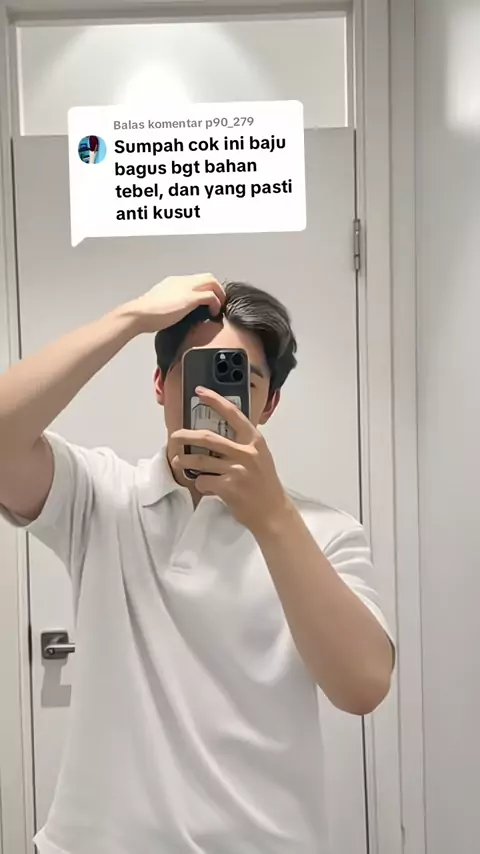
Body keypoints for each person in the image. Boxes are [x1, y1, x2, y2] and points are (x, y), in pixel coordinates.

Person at [0, 273, 394, 854]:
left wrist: (272, 516)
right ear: (161, 384)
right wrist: (132, 317)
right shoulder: (100, 496)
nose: (212, 397)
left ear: (269, 402)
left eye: (238, 379)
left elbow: (362, 688)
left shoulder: (325, 532)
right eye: (195, 372)